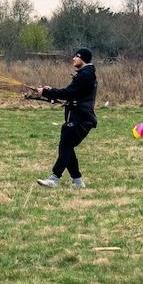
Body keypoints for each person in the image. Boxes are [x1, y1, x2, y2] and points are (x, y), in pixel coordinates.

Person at [29, 48, 98, 189]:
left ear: (83, 58)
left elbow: (68, 93)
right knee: (67, 146)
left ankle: (54, 178)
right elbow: (72, 94)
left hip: (81, 119)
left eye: (76, 56)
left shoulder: (86, 75)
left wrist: (47, 92)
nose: (73, 58)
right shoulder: (84, 74)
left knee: (66, 145)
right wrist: (49, 92)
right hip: (78, 118)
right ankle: (77, 181)